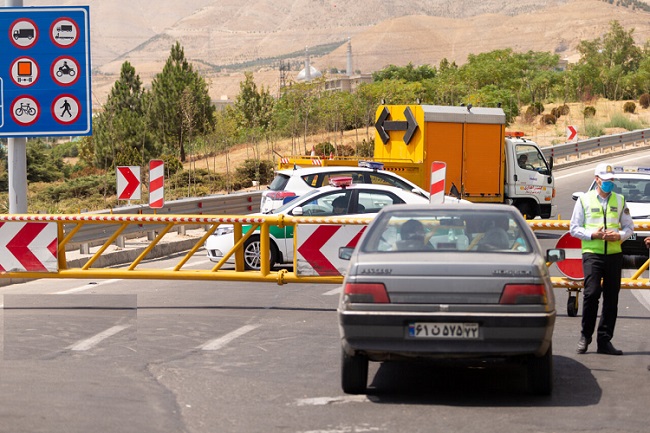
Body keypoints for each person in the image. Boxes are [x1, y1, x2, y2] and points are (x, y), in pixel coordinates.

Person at [570, 163, 634, 355]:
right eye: (605, 180)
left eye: (611, 180)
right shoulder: (584, 200)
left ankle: (604, 340)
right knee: (591, 293)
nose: (609, 184)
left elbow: (629, 227)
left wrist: (620, 236)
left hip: (614, 255)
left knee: (611, 298)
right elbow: (574, 228)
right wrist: (592, 235)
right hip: (592, 253)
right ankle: (585, 336)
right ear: (596, 179)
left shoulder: (620, 200)